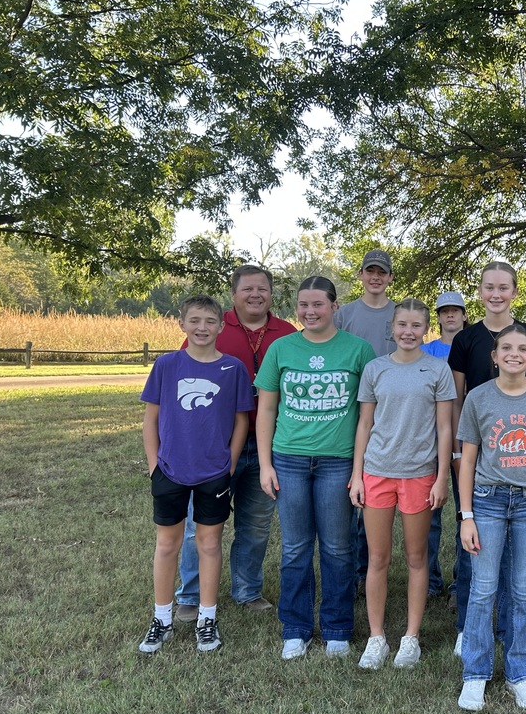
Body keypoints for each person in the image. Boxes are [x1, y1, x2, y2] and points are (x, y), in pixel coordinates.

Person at [255, 276, 375, 660]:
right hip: (288, 459)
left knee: (339, 548)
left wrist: (359, 470)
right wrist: (264, 464)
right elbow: (267, 410)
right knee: (295, 547)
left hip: (337, 462)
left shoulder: (359, 350)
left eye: (318, 305)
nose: (310, 311)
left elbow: (366, 418)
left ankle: (337, 627)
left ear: (334, 307)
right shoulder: (281, 348)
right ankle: (296, 627)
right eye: (303, 305)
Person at [175, 265, 296, 622]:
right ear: (234, 293)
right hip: (214, 445)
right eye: (248, 289)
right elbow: (183, 379)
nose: (255, 294)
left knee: (256, 523)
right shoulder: (212, 327)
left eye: (263, 288)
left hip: (267, 445)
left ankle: (247, 590)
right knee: (199, 523)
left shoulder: (287, 334)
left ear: (272, 294)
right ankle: (190, 594)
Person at [138, 295, 254, 654]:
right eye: (194, 320)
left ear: (221, 326)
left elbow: (240, 421)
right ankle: (162, 619)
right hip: (170, 470)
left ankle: (207, 618)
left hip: (214, 473)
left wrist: (230, 464)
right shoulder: (167, 364)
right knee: (168, 544)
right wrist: (155, 466)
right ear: (182, 324)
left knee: (208, 544)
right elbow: (151, 419)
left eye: (209, 321)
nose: (202, 327)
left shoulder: (232, 368)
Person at [456, 325, 526, 711]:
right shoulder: (478, 398)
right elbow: (467, 460)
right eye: (506, 348)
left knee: (520, 591)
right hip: (487, 501)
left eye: (523, 349)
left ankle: (520, 671)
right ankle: (475, 672)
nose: (514, 354)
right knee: (483, 590)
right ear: (495, 356)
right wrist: (466, 515)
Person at [448, 261, 526, 656]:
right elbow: (458, 399)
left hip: (520, 460)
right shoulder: (466, 339)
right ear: (479, 291)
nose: (495, 293)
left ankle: (508, 628)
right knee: (471, 542)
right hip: (477, 455)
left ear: (514, 291)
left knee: (515, 554)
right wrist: (459, 452)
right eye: (488, 286)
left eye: (503, 287)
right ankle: (466, 629)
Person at [350, 299, 456, 670]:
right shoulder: (376, 369)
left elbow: (445, 428)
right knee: (377, 558)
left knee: (416, 557)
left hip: (420, 474)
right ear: (392, 328)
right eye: (402, 325)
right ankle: (376, 637)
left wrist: (442, 476)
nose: (408, 332)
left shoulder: (437, 369)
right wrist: (356, 474)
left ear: (425, 330)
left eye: (415, 326)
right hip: (377, 472)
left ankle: (410, 638)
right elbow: (364, 425)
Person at [333, 249, 397, 590]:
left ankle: (371, 566)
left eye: (381, 272)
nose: (375, 277)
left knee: (378, 493)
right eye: (370, 271)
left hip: (391, 413)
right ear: (360, 274)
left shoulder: (398, 314)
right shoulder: (344, 314)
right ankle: (356, 572)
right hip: (349, 410)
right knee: (354, 492)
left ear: (389, 278)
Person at [421, 291, 468, 600]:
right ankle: (428, 580)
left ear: (465, 315)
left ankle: (460, 583)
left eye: (456, 310)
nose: (450, 315)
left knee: (467, 513)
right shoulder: (425, 351)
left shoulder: (476, 345)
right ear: (437, 317)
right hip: (428, 441)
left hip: (466, 441)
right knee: (428, 514)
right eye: (444, 311)